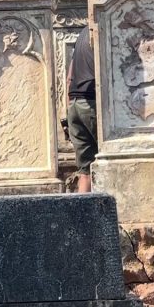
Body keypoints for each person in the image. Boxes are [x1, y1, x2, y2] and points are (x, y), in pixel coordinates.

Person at [66, 25, 97, 192]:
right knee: (109, 161)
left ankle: (82, 217)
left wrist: (68, 107)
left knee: (85, 171)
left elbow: (70, 76)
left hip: (75, 104)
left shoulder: (83, 33)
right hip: (93, 104)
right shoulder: (102, 27)